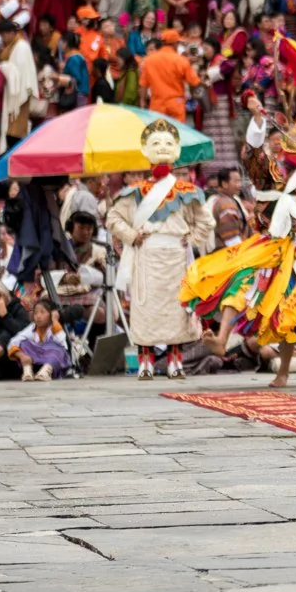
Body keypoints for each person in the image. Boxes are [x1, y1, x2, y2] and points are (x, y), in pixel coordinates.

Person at [106, 117, 214, 379]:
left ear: (175, 149)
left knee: (176, 309)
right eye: (156, 143)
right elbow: (112, 218)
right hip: (147, 255)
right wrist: (131, 235)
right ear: (146, 150)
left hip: (176, 257)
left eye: (167, 143)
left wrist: (192, 237)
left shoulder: (187, 191)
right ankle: (145, 360)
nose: (162, 147)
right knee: (146, 308)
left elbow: (206, 221)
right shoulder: (134, 192)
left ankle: (176, 359)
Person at [139, 28, 200, 122]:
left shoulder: (149, 60)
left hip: (157, 105)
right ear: (175, 43)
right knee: (176, 134)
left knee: (158, 135)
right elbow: (194, 82)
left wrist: (142, 101)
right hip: (176, 105)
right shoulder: (182, 61)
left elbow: (143, 85)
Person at [8, 298, 71, 380]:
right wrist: (22, 356)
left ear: (51, 314)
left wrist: (55, 321)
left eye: (42, 312)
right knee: (24, 343)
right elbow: (13, 342)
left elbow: (62, 343)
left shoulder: (55, 327)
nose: (38, 316)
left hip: (51, 360)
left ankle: (46, 372)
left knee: (58, 348)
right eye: (36, 313)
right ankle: (27, 371)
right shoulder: (32, 328)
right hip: (34, 359)